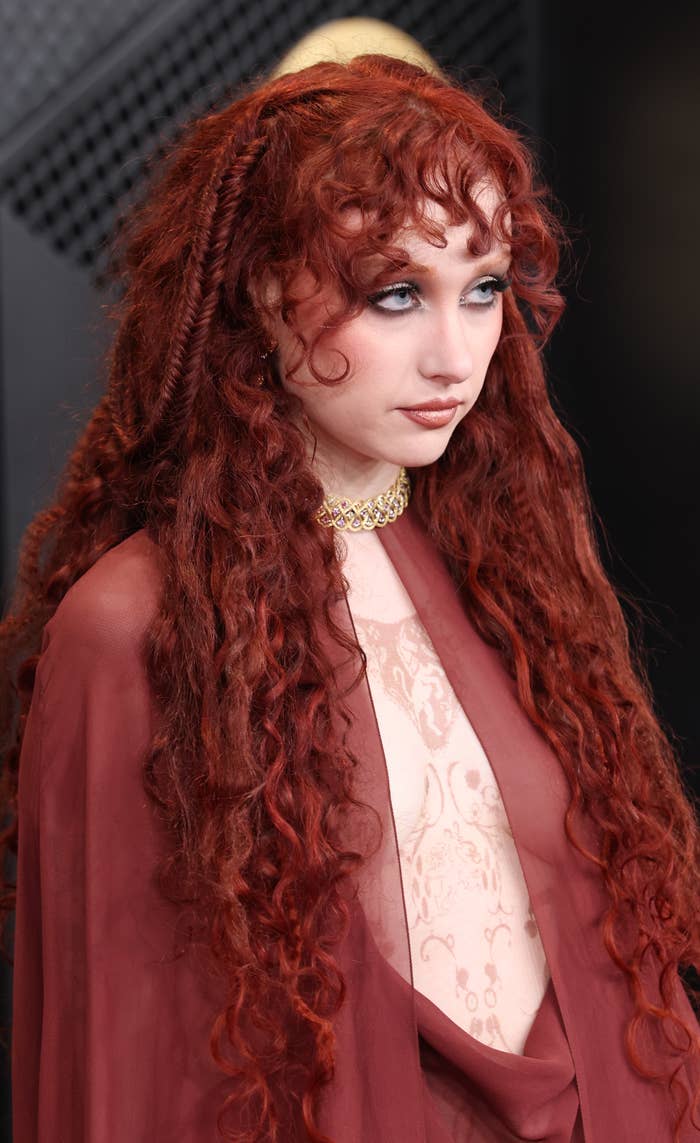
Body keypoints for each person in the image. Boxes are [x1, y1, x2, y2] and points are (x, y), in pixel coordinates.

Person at [1, 53, 698, 1143]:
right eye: (395, 294)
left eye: (482, 289)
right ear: (260, 292)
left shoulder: (511, 581)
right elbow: (123, 1071)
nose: (454, 357)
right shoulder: (133, 628)